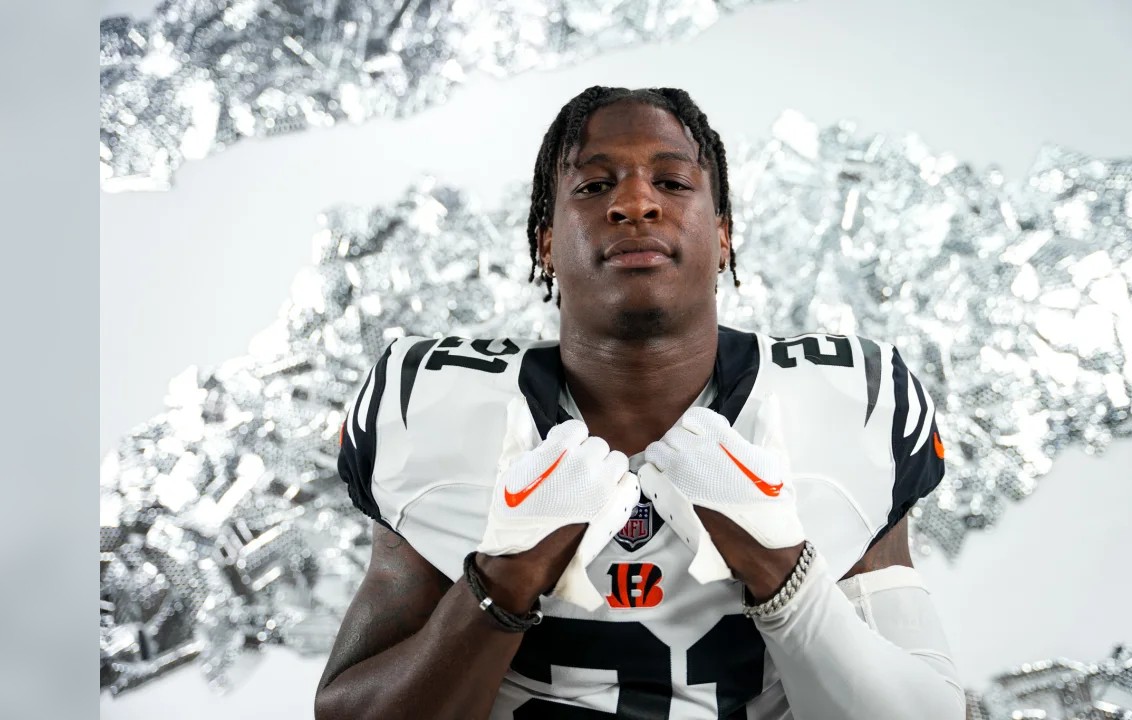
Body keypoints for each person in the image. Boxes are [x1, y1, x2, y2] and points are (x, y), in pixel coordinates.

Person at [314, 86, 965, 719]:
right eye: (594, 185)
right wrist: (501, 583)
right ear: (545, 241)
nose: (634, 203)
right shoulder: (433, 408)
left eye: (672, 182)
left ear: (723, 235)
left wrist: (785, 575)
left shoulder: (850, 403)